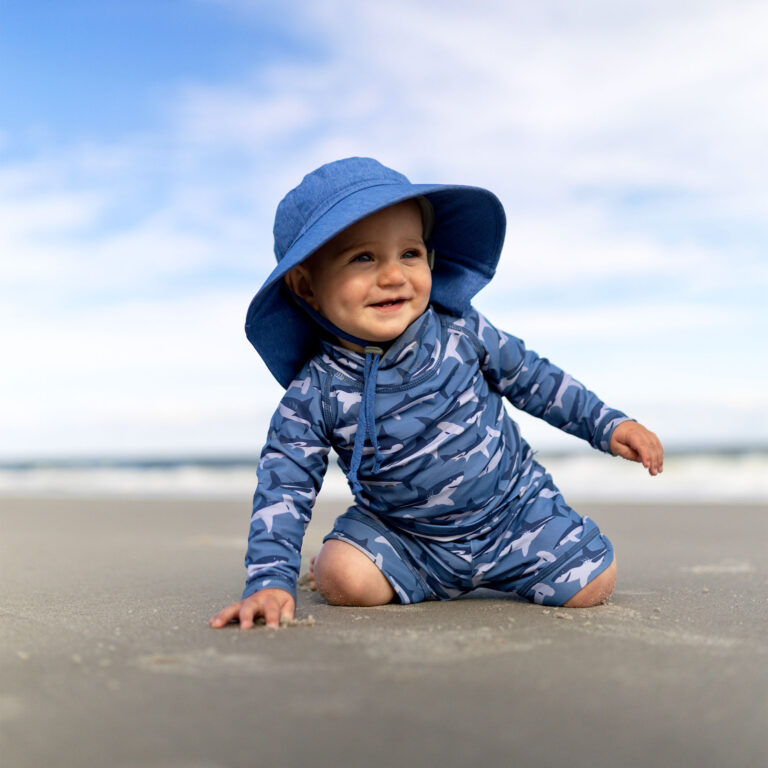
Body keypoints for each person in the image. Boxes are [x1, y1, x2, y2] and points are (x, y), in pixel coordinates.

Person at [210, 157, 663, 630]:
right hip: (406, 536)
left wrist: (609, 425)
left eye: (409, 253)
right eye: (363, 258)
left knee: (595, 582)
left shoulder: (462, 332)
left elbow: (536, 379)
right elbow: (284, 484)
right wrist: (269, 579)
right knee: (341, 579)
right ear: (306, 286)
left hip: (513, 511)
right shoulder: (315, 392)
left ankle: (504, 561)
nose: (393, 275)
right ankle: (404, 573)